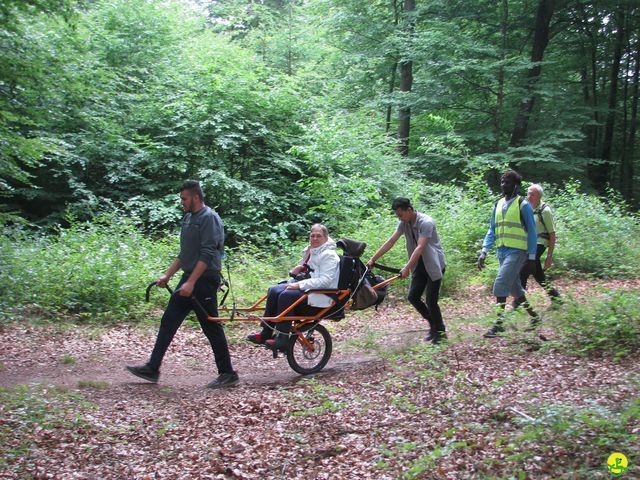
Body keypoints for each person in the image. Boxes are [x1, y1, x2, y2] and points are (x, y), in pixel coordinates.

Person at [126, 180, 238, 388]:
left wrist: (192, 282)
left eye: (184, 198)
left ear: (196, 197)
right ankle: (152, 368)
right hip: (189, 278)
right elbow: (185, 254)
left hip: (205, 279)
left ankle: (228, 373)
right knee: (169, 320)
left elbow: (208, 253)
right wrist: (168, 276)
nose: (182, 202)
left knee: (211, 326)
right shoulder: (188, 219)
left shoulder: (209, 218)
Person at [246, 224, 340, 350]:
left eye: (319, 236)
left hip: (325, 298)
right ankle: (266, 333)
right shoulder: (312, 251)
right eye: (312, 236)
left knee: (287, 296)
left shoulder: (329, 255)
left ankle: (282, 339)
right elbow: (308, 273)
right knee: (274, 290)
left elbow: (325, 281)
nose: (315, 238)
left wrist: (299, 285)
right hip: (312, 291)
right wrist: (295, 274)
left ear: (326, 237)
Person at [366, 198, 447, 344]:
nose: (400, 218)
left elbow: (420, 247)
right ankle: (434, 326)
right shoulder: (404, 223)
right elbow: (391, 241)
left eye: (401, 215)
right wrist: (373, 259)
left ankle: (440, 333)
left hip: (433, 264)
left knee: (431, 301)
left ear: (409, 210)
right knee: (413, 297)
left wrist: (406, 268)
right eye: (398, 216)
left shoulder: (426, 222)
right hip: (418, 265)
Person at [477, 170, 540, 338]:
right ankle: (535, 317)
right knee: (515, 288)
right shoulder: (497, 204)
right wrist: (484, 250)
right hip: (502, 251)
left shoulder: (523, 205)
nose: (503, 185)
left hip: (518, 252)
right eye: (502, 182)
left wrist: (532, 257)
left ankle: (499, 325)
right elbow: (492, 229)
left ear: (516, 186)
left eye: (507, 182)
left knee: (500, 283)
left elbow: (532, 232)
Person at [518, 183, 561, 302]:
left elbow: (552, 234)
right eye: (528, 193)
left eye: (532, 194)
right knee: (538, 275)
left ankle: (518, 302)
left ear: (539, 196)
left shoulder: (545, 210)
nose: (529, 196)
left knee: (524, 270)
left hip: (540, 243)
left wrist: (549, 257)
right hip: (529, 243)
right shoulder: (527, 208)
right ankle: (556, 297)